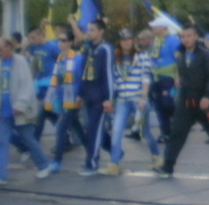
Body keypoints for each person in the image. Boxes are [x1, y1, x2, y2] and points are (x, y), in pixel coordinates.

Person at [152, 24, 209, 177]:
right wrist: (178, 79)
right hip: (186, 100)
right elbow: (180, 71)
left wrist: (207, 96)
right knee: (177, 132)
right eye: (183, 36)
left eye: (189, 36)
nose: (186, 39)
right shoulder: (180, 54)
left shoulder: (204, 55)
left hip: (202, 102)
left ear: (195, 37)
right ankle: (168, 165)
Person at [0, 37, 55, 186]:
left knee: (29, 139)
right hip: (3, 110)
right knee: (1, 142)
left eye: (0, 49)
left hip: (18, 110)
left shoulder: (20, 61)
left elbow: (27, 85)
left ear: (9, 47)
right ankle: (0, 175)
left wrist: (21, 105)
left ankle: (44, 165)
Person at [103, 28, 157, 175]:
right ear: (119, 42)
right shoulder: (115, 59)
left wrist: (144, 97)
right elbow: (114, 81)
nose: (126, 42)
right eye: (123, 40)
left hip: (138, 99)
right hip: (122, 100)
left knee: (145, 131)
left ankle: (157, 156)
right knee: (116, 130)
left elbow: (146, 77)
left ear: (132, 41)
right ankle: (114, 163)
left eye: (128, 39)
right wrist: (111, 100)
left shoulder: (142, 56)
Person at [43, 28, 85, 173]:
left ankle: (57, 161)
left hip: (74, 99)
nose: (60, 43)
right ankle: (93, 152)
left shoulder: (78, 59)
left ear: (71, 42)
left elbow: (83, 79)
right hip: (63, 99)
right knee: (77, 127)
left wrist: (82, 95)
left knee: (61, 127)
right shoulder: (60, 60)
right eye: (59, 40)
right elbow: (56, 80)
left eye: (64, 40)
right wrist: (51, 97)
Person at [77, 18, 115, 176]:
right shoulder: (88, 48)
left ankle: (92, 163)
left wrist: (109, 98)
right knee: (92, 127)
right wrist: (80, 93)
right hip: (88, 95)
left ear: (101, 31)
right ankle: (116, 151)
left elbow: (109, 75)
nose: (89, 32)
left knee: (93, 129)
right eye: (88, 29)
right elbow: (84, 73)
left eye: (92, 29)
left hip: (100, 96)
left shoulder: (105, 49)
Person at [147, 16, 181, 143]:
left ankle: (178, 122)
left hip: (169, 77)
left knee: (168, 103)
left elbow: (179, 60)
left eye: (156, 26)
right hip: (156, 77)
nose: (153, 28)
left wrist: (178, 77)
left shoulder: (173, 41)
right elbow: (152, 58)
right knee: (158, 106)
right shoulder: (155, 41)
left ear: (163, 27)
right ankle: (165, 133)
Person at [24, 25, 61, 141]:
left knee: (41, 112)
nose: (31, 40)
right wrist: (27, 42)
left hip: (49, 82)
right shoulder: (33, 47)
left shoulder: (52, 46)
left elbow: (61, 60)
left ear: (41, 36)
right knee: (49, 113)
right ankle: (64, 137)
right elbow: (23, 53)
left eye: (33, 38)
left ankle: (34, 141)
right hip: (38, 82)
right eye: (30, 38)